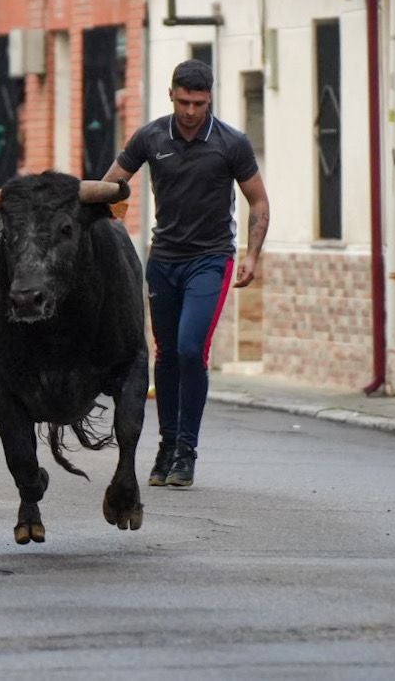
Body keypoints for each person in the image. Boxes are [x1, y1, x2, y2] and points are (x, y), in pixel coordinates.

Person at [102, 59, 270, 488]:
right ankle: (167, 444)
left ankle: (187, 451)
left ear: (209, 98)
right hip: (164, 261)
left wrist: (251, 255)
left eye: (198, 103)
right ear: (171, 95)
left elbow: (259, 201)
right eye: (183, 102)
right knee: (166, 353)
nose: (191, 111)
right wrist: (108, 221)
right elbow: (113, 185)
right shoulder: (151, 136)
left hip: (210, 260)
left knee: (192, 348)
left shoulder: (231, 143)